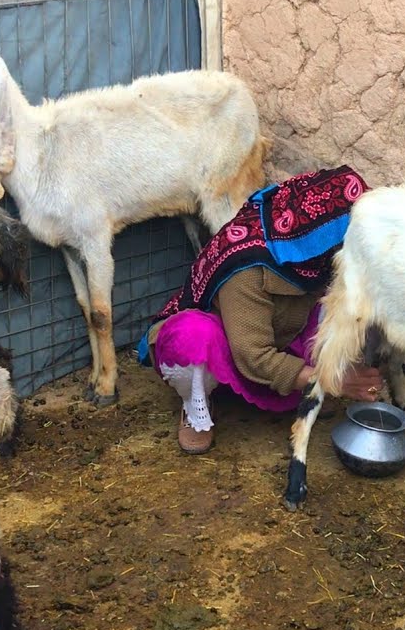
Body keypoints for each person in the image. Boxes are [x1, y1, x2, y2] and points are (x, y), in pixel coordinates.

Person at [141, 166, 385, 454]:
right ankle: (196, 407)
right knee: (193, 336)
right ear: (323, 237)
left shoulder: (310, 256)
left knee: (336, 303)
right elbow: (254, 355)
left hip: (279, 328)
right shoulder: (247, 266)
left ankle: (310, 387)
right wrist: (333, 381)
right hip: (227, 348)